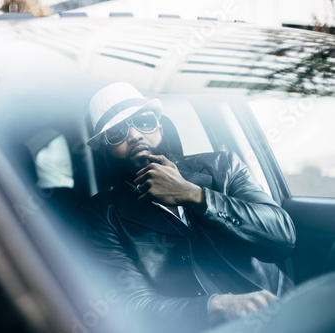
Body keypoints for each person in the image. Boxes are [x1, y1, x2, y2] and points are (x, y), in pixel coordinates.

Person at [82, 82, 296, 332]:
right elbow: (130, 305)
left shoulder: (223, 167)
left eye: (144, 121)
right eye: (117, 133)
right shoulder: (103, 214)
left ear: (160, 127)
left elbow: (283, 238)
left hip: (281, 311)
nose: (135, 135)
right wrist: (214, 308)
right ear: (106, 150)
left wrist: (193, 195)